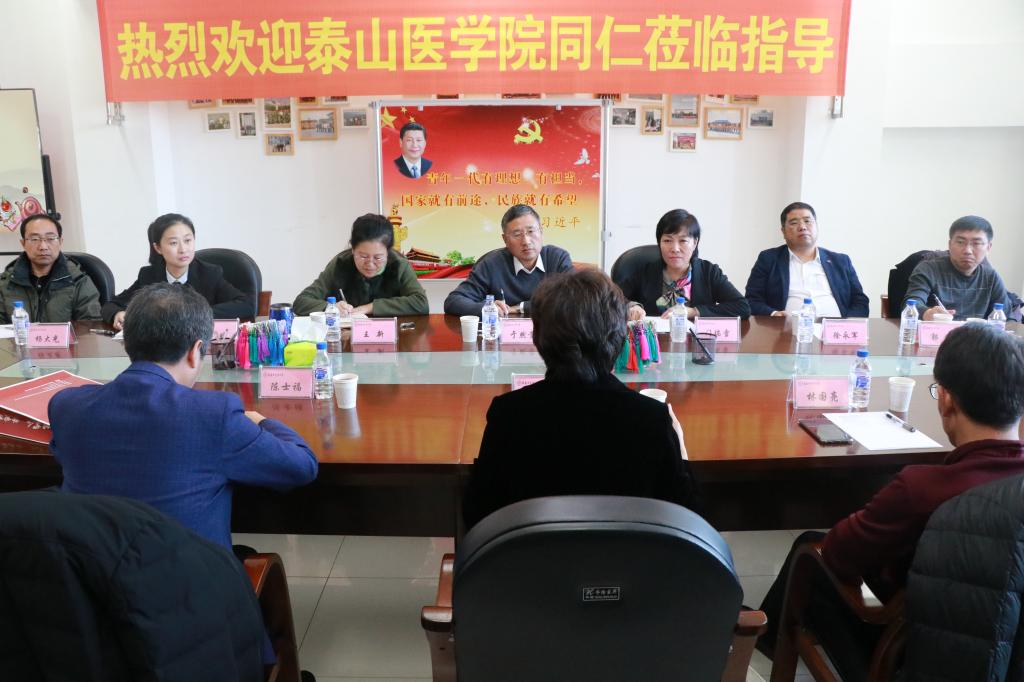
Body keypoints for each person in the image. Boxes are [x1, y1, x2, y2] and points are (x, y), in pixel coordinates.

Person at [756, 323, 1024, 680]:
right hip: (1008, 656)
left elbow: (839, 554)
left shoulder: (922, 489)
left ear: (946, 399)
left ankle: (763, 637)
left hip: (911, 657)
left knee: (811, 551)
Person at [49, 283, 319, 551]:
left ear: (128, 343)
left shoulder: (66, 407)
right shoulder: (213, 415)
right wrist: (261, 421)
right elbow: (301, 467)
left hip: (88, 575)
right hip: (187, 576)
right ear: (195, 351)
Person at [462, 269, 699, 529]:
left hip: (530, 554)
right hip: (626, 555)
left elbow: (476, 513)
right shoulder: (651, 418)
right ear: (619, 338)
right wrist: (681, 449)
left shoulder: (508, 414)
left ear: (539, 339)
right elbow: (687, 518)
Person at [101, 213, 252, 330]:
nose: (183, 249)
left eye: (188, 240)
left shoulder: (209, 274)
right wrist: (117, 314)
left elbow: (246, 304)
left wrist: (196, 314)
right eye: (173, 243)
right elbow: (111, 305)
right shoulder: (149, 276)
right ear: (158, 248)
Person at [616, 208, 750, 321]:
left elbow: (742, 307)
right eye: (667, 240)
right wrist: (632, 306)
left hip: (695, 342)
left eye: (683, 241)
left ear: (695, 243)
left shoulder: (709, 272)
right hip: (654, 341)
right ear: (659, 243)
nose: (675, 248)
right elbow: (613, 298)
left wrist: (694, 311)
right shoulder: (645, 272)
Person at [443, 204, 573, 317]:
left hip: (550, 334)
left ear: (541, 232)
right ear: (505, 239)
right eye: (517, 234)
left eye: (531, 231)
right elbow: (453, 301)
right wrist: (487, 308)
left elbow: (574, 299)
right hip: (502, 335)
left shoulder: (557, 258)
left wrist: (520, 308)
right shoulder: (491, 264)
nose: (526, 241)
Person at [745, 202, 869, 317]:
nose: (802, 227)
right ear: (783, 232)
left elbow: (860, 301)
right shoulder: (768, 259)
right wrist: (774, 314)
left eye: (807, 221)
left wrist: (847, 324)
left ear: (817, 226)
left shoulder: (840, 261)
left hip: (835, 330)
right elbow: (752, 300)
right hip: (786, 329)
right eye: (794, 223)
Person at [292, 213, 428, 316]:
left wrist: (370, 307)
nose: (370, 264)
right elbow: (301, 302)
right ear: (352, 250)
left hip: (393, 338)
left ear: (388, 252)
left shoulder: (399, 265)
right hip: (347, 339)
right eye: (363, 256)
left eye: (378, 257)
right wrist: (331, 308)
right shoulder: (340, 263)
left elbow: (421, 303)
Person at [903, 215, 1010, 321]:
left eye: (976, 243)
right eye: (960, 242)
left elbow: (1008, 317)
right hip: (938, 331)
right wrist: (927, 313)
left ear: (988, 247)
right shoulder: (928, 269)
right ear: (950, 244)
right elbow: (911, 304)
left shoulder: (991, 277)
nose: (967, 250)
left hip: (975, 332)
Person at [0, 213, 101, 323]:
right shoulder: (5, 283)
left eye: (51, 238)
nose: (43, 246)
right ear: (23, 243)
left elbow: (91, 325)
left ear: (60, 242)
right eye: (34, 239)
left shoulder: (78, 281)